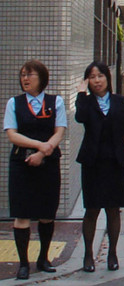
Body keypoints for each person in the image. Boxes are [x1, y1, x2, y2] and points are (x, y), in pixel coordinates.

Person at [75, 61, 124, 273]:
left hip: (115, 162)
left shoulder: (120, 102)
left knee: (113, 209)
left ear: (108, 78)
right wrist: (80, 94)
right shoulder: (86, 103)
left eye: (100, 76)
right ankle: (88, 254)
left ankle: (113, 253)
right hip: (92, 163)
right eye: (92, 77)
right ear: (87, 81)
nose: (97, 80)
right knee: (92, 209)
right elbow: (80, 118)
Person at [3, 60, 67, 279]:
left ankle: (43, 258)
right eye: (22, 75)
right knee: (21, 215)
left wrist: (43, 152)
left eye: (30, 74)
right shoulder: (14, 103)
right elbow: (12, 134)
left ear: (42, 78)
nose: (25, 79)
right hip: (21, 163)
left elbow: (59, 131)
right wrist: (40, 146)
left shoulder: (55, 101)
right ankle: (23, 263)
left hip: (48, 163)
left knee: (47, 214)